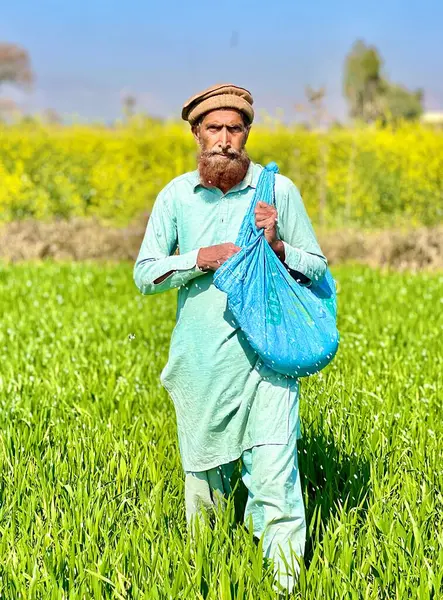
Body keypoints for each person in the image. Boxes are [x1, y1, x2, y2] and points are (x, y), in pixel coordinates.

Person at [133, 84, 328, 591]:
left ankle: (283, 585)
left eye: (234, 129)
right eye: (213, 129)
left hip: (269, 363)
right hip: (202, 364)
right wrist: (202, 258)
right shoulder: (176, 196)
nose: (224, 140)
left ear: (247, 134)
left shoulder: (276, 191)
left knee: (276, 482)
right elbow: (144, 272)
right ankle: (206, 582)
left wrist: (278, 245)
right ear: (197, 135)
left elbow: (320, 271)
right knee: (204, 494)